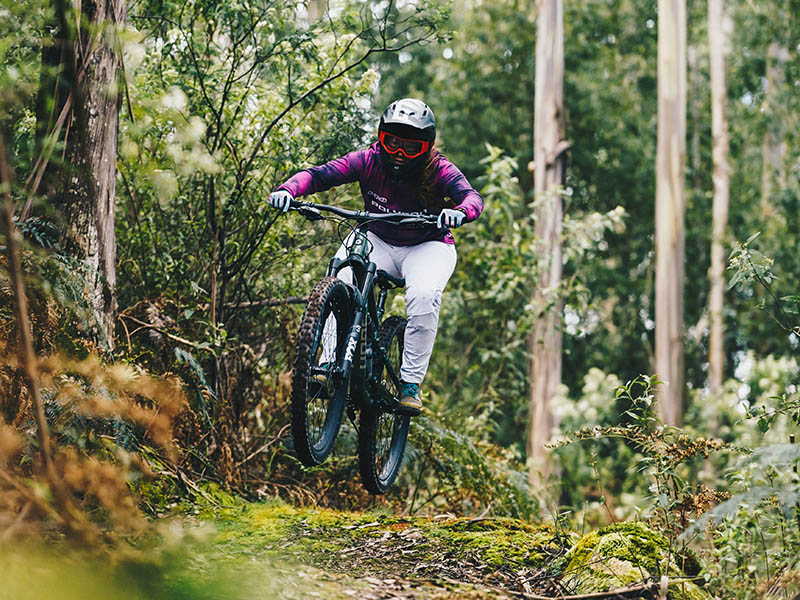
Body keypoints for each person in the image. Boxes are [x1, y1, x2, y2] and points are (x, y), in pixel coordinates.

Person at [269, 98, 483, 415]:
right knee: (339, 276)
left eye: (410, 147)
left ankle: (410, 384)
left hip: (427, 246)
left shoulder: (440, 170)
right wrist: (289, 190)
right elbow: (318, 176)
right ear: (380, 137)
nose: (398, 153)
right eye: (391, 142)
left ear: (427, 147)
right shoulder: (367, 160)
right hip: (376, 236)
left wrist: (459, 212)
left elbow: (471, 197)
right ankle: (328, 363)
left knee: (424, 296)